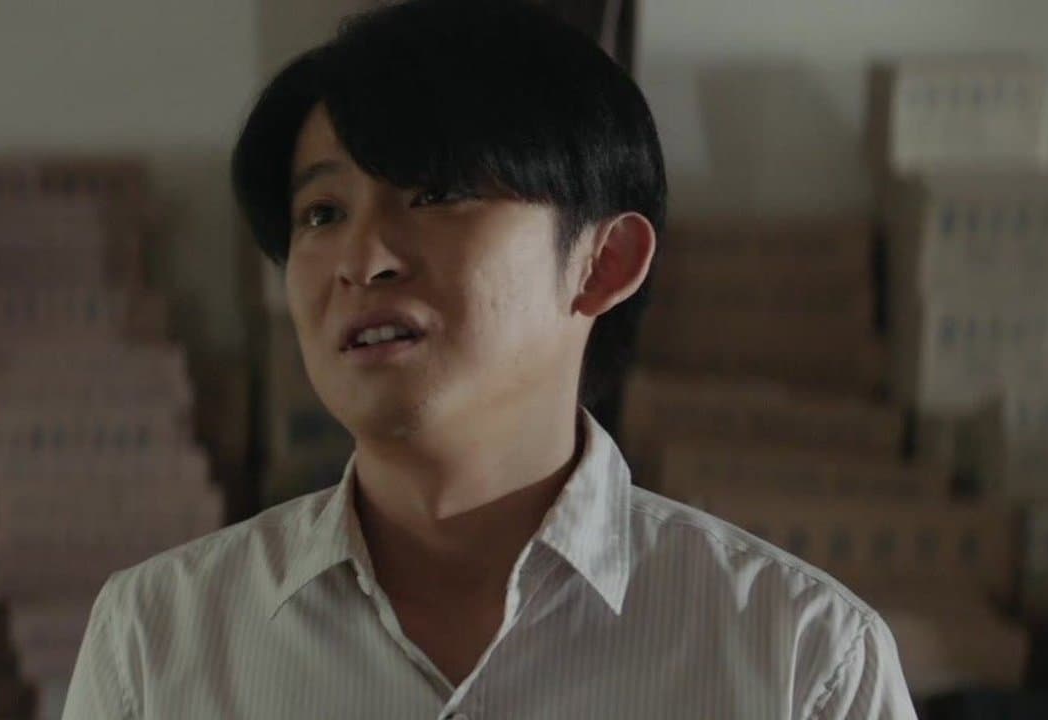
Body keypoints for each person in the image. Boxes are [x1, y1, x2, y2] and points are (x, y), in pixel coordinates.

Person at [63, 1, 916, 717]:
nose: (364, 259)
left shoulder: (800, 661)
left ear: (603, 263)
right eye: (322, 213)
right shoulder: (158, 643)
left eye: (436, 194)